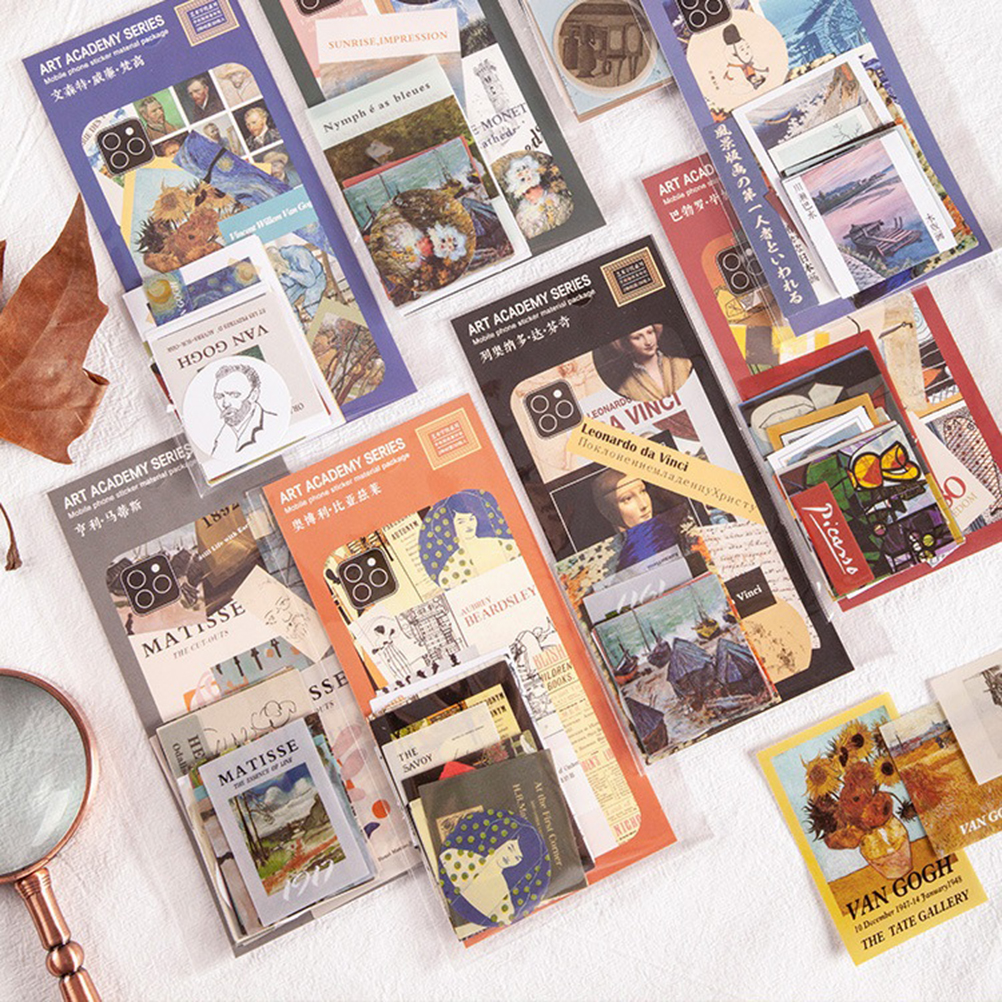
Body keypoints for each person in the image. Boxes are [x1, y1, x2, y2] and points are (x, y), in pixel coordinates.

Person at [614, 324, 692, 402]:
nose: (648, 342)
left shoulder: (686, 365)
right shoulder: (626, 389)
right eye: (637, 338)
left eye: (650, 332)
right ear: (627, 344)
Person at [210, 363, 275, 455]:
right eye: (219, 397)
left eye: (234, 395)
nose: (225, 404)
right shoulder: (220, 439)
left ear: (253, 395)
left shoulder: (274, 423)